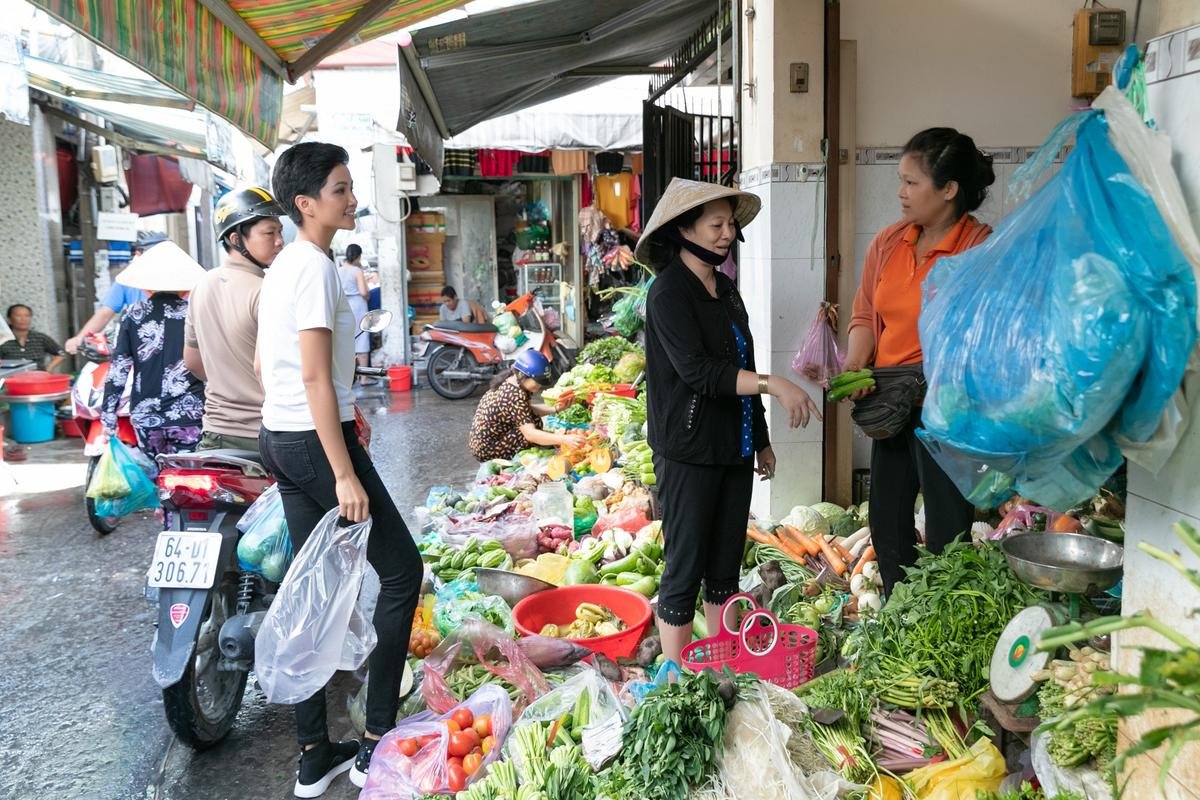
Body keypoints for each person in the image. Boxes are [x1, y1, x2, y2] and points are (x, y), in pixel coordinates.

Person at [258, 141, 421, 797]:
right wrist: (344, 470)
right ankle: (374, 742)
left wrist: (347, 417)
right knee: (402, 571)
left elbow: (279, 371)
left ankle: (311, 755)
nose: (352, 199)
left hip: (282, 435)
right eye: (340, 189)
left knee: (313, 590)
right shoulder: (317, 268)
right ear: (304, 203)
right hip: (312, 442)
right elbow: (317, 377)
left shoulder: (283, 266)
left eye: (351, 187)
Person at [638, 178, 822, 667]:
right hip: (689, 453)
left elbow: (743, 355)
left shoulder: (727, 291)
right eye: (715, 224)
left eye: (730, 223)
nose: (726, 234)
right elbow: (699, 372)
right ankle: (678, 684)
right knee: (684, 568)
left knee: (723, 567)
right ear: (685, 229)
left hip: (734, 450)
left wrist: (759, 439)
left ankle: (718, 665)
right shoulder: (668, 294)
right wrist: (775, 384)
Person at [844, 127, 996, 595]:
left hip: (948, 413)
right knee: (887, 522)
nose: (900, 192)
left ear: (949, 190)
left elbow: (987, 335)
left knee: (948, 529)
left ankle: (942, 614)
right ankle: (899, 615)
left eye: (912, 182)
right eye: (900, 180)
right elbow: (866, 311)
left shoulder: (980, 248)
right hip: (891, 404)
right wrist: (856, 367)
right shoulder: (890, 243)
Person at [183, 187, 285, 452]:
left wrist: (230, 382)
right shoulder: (268, 290)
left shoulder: (201, 286)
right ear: (236, 239)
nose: (279, 241)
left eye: (280, 232)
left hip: (215, 435)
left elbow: (192, 362)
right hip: (267, 435)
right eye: (269, 233)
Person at [100, 242, 206, 460]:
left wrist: (108, 413)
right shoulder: (196, 313)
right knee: (188, 479)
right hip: (188, 414)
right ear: (186, 290)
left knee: (154, 476)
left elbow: (119, 368)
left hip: (146, 416)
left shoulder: (132, 314)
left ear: (144, 288)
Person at [467, 350, 585, 462]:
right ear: (523, 375)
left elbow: (525, 411)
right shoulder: (514, 395)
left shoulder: (510, 382)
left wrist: (555, 409)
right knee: (533, 426)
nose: (539, 386)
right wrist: (564, 439)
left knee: (531, 419)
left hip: (482, 443)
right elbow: (530, 434)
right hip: (488, 449)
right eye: (537, 381)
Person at [64, 233, 169, 354]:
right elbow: (105, 313)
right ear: (138, 255)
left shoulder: (185, 279)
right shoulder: (128, 278)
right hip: (139, 348)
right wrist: (80, 338)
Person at [1, 304, 65, 371]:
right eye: (18, 316)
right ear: (9, 318)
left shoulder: (40, 338)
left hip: (37, 378)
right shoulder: (3, 339)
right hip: (11, 379)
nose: (23, 319)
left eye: (27, 316)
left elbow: (60, 353)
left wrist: (49, 368)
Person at [339, 244, 371, 375]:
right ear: (358, 256)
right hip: (358, 306)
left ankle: (348, 377)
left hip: (343, 306)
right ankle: (364, 378)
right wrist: (368, 295)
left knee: (346, 340)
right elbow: (363, 292)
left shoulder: (338, 270)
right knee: (362, 339)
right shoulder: (357, 271)